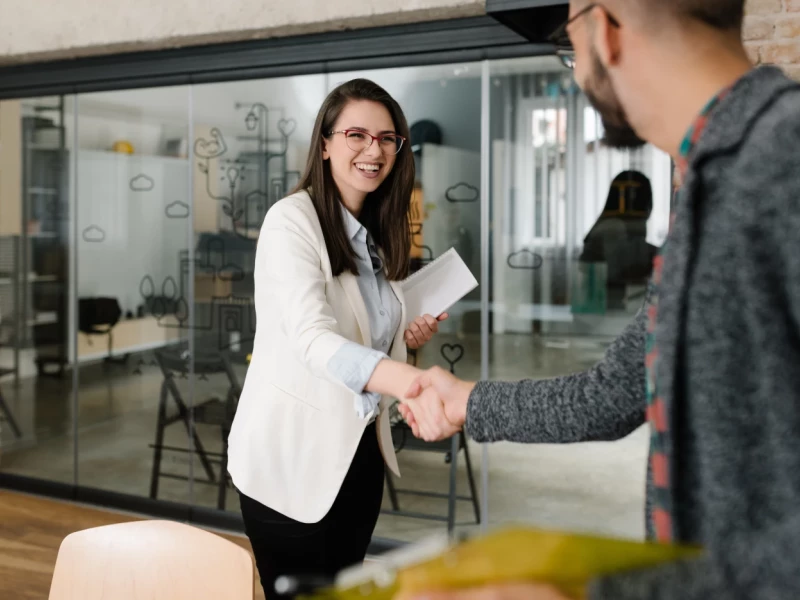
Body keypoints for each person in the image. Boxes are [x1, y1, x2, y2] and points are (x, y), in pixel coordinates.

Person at [398, 0, 800, 598]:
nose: (576, 69)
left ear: (604, 29)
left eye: (569, 43)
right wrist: (467, 401)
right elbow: (616, 392)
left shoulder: (782, 162)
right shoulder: (710, 185)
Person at [226, 78, 447, 597]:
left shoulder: (376, 231)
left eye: (387, 138)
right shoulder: (291, 222)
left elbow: (364, 334)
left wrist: (405, 337)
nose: (374, 150)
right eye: (357, 135)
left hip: (358, 455)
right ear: (324, 144)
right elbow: (312, 338)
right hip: (291, 465)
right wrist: (412, 379)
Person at [579, 169, 658, 309]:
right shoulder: (613, 226)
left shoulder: (615, 225)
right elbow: (620, 269)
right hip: (598, 312)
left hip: (608, 308)